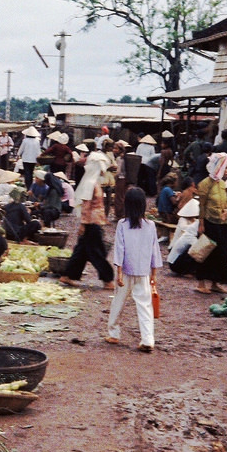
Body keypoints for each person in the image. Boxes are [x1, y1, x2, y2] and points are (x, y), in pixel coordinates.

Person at [106, 186, 163, 352]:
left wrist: (118, 272)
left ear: (127, 205)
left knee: (118, 302)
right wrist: (154, 274)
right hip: (144, 272)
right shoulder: (150, 225)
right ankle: (147, 339)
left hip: (126, 271)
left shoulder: (122, 225)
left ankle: (114, 333)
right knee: (145, 306)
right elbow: (155, 250)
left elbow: (120, 249)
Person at [60, 151, 115, 289]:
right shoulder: (91, 183)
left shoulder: (92, 182)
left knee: (82, 252)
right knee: (97, 252)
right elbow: (86, 206)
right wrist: (84, 224)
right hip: (91, 223)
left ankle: (68, 275)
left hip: (93, 222)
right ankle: (107, 279)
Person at [195, 152, 227, 294]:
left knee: (221, 253)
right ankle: (201, 282)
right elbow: (202, 205)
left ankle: (215, 282)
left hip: (222, 222)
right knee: (206, 252)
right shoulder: (204, 184)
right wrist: (201, 223)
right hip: (209, 222)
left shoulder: (222, 184)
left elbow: (226, 201)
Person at [167, 199, 201, 275]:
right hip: (175, 247)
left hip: (181, 247)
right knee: (196, 250)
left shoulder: (195, 221)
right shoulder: (183, 220)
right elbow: (184, 228)